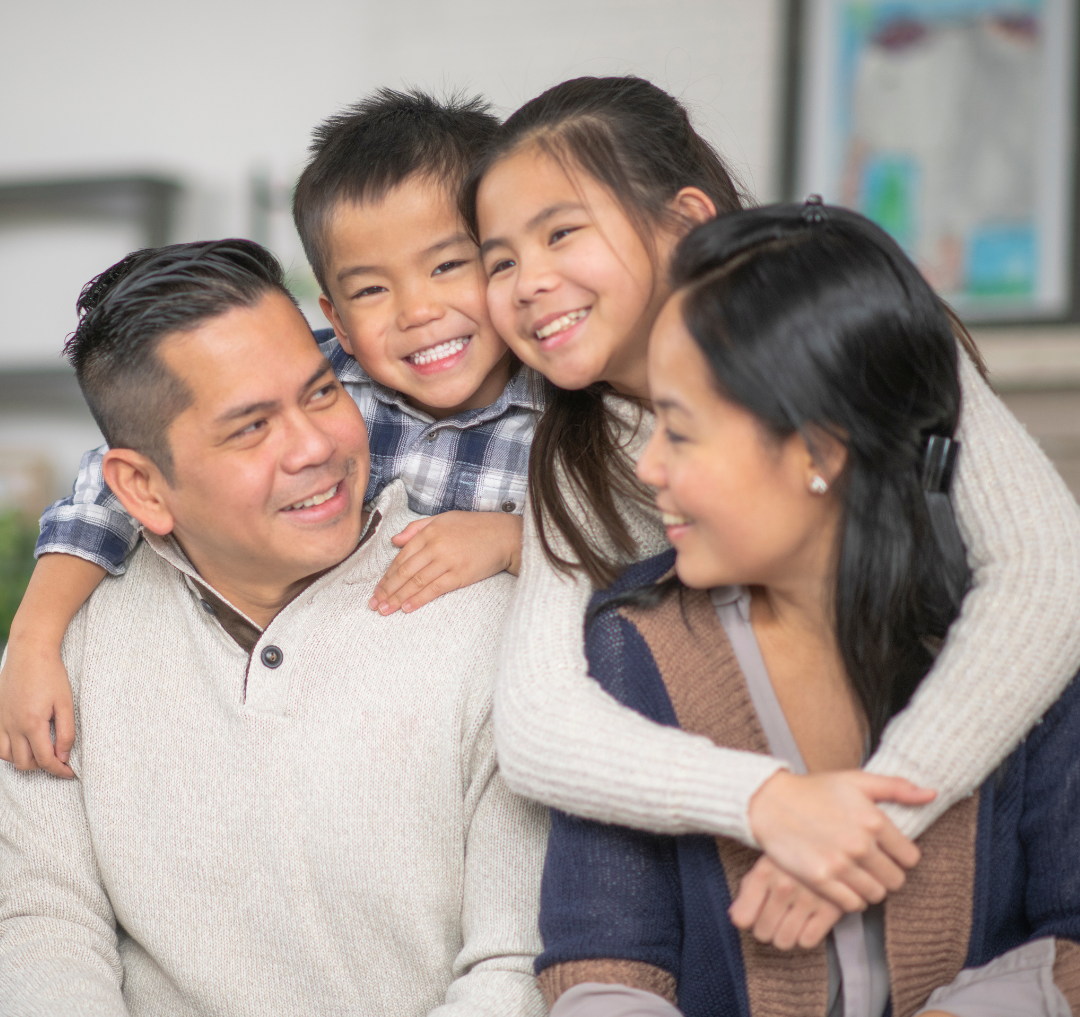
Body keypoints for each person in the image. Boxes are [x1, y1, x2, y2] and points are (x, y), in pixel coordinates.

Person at [462, 75, 1080, 941]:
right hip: (739, 888)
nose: (528, 283)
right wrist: (770, 804)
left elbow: (1047, 576)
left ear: (684, 219)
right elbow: (536, 726)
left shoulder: (849, 322)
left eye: (561, 232)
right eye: (499, 261)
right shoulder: (574, 458)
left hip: (959, 821)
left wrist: (867, 819)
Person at [535, 203, 1080, 1017]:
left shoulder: (1022, 656)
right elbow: (601, 971)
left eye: (680, 433)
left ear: (820, 452)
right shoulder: (631, 648)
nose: (647, 466)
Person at [0, 240, 548, 1016]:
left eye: (322, 393)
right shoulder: (63, 654)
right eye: (251, 428)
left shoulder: (495, 628)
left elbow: (517, 965)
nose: (315, 446)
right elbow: (40, 923)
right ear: (142, 488)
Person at [0, 88, 541, 779]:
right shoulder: (317, 377)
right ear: (337, 319)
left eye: (446, 266)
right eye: (372, 290)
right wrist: (35, 637)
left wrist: (515, 541)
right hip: (310, 717)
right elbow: (115, 481)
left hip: (467, 737)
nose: (418, 311)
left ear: (503, 262)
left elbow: (640, 554)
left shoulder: (572, 414)